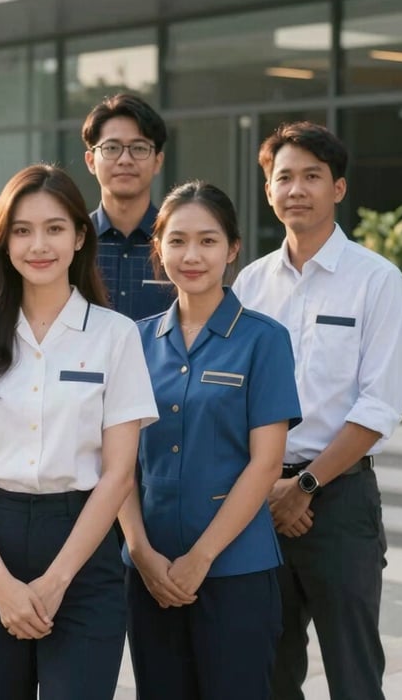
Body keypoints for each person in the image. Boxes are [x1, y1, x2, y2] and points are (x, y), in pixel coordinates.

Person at [0, 164, 158, 700]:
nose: (39, 245)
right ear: (4, 241)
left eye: (55, 228)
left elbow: (119, 473)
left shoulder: (115, 335)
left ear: (80, 237)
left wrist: (55, 584)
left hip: (83, 546)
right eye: (23, 230)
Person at [232, 122, 402, 700]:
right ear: (268, 189)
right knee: (267, 670)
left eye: (312, 176)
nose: (297, 189)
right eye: (284, 177)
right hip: (259, 500)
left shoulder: (377, 281)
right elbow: (236, 395)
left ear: (338, 188)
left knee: (354, 674)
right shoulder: (250, 284)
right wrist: (270, 491)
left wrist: (304, 485)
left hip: (339, 504)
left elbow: (381, 405)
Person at [119, 180, 302, 700]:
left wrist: (200, 558)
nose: (191, 255)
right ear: (159, 249)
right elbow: (119, 463)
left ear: (232, 249)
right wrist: (140, 550)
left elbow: (267, 465)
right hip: (149, 571)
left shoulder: (264, 339)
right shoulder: (135, 341)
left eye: (207, 241)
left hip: (235, 570)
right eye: (176, 241)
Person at [82, 92, 173, 320]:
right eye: (112, 148)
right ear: (91, 161)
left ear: (158, 162)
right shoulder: (74, 242)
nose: (125, 159)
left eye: (139, 148)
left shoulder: (176, 241)